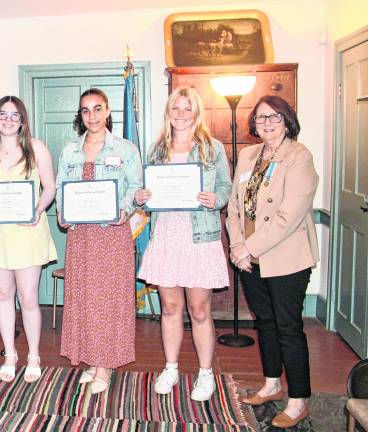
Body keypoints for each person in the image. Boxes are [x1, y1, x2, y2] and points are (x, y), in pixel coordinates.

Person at [226, 95, 318, 428]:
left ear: (287, 119)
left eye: (274, 117)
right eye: (261, 118)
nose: (267, 123)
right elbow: (234, 206)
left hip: (286, 259)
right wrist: (238, 246)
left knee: (288, 328)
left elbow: (288, 216)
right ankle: (271, 384)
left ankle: (299, 400)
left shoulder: (299, 157)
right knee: (264, 323)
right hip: (250, 258)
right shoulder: (249, 155)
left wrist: (247, 248)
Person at [135, 87, 231, 401]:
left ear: (196, 112)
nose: (181, 114)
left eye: (187, 108)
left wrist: (216, 199)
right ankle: (171, 367)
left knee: (200, 310)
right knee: (170, 308)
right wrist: (143, 199)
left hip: (199, 236)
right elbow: (147, 197)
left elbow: (225, 189)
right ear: (169, 112)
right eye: (176, 108)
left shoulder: (212, 147)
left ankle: (205, 374)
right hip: (167, 235)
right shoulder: (157, 149)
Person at [56, 88, 142, 394]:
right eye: (85, 110)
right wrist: (63, 214)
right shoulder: (70, 151)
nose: (91, 116)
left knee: (108, 298)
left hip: (111, 232)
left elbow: (136, 187)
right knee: (84, 296)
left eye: (97, 109)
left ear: (107, 112)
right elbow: (61, 189)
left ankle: (105, 366)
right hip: (81, 235)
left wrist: (125, 208)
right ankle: (92, 359)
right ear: (80, 116)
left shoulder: (126, 149)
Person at [0, 96, 57, 383]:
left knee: (28, 297)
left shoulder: (37, 147)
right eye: (2, 114)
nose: (8, 119)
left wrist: (38, 210)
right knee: (3, 295)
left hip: (28, 230)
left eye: (14, 115)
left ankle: (33, 355)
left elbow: (50, 187)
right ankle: (9, 354)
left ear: (23, 120)